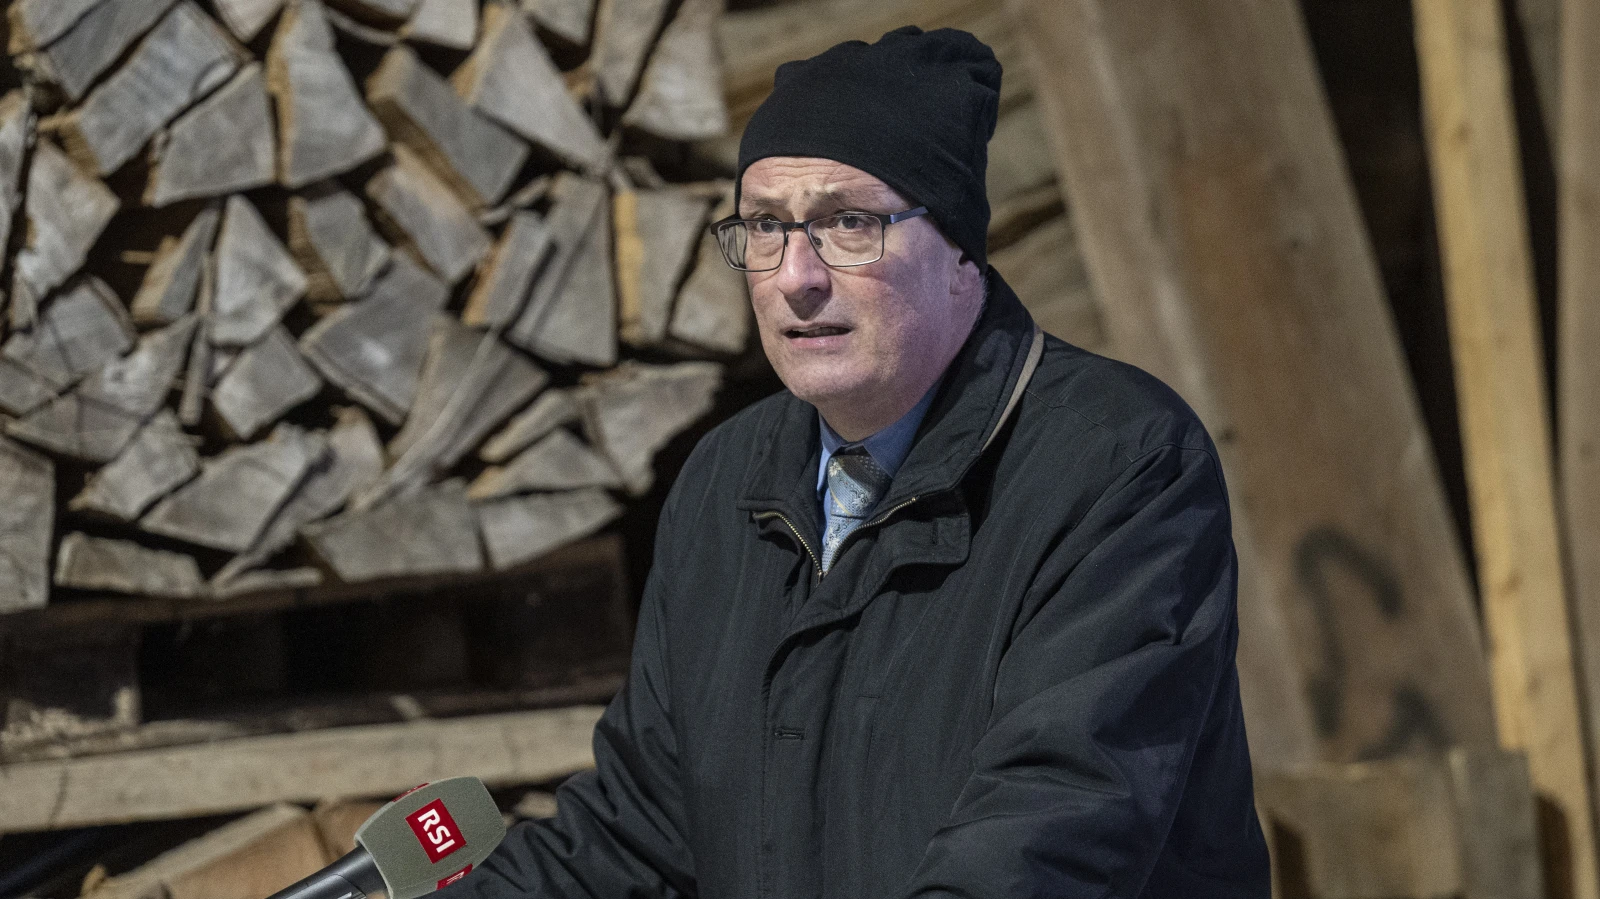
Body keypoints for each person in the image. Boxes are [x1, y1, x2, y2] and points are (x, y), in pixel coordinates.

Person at [441, 25, 1270, 899]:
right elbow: (644, 831)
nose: (797, 274)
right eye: (765, 225)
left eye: (848, 222)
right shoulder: (726, 479)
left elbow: (1048, 836)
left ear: (958, 253)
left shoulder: (1118, 462)